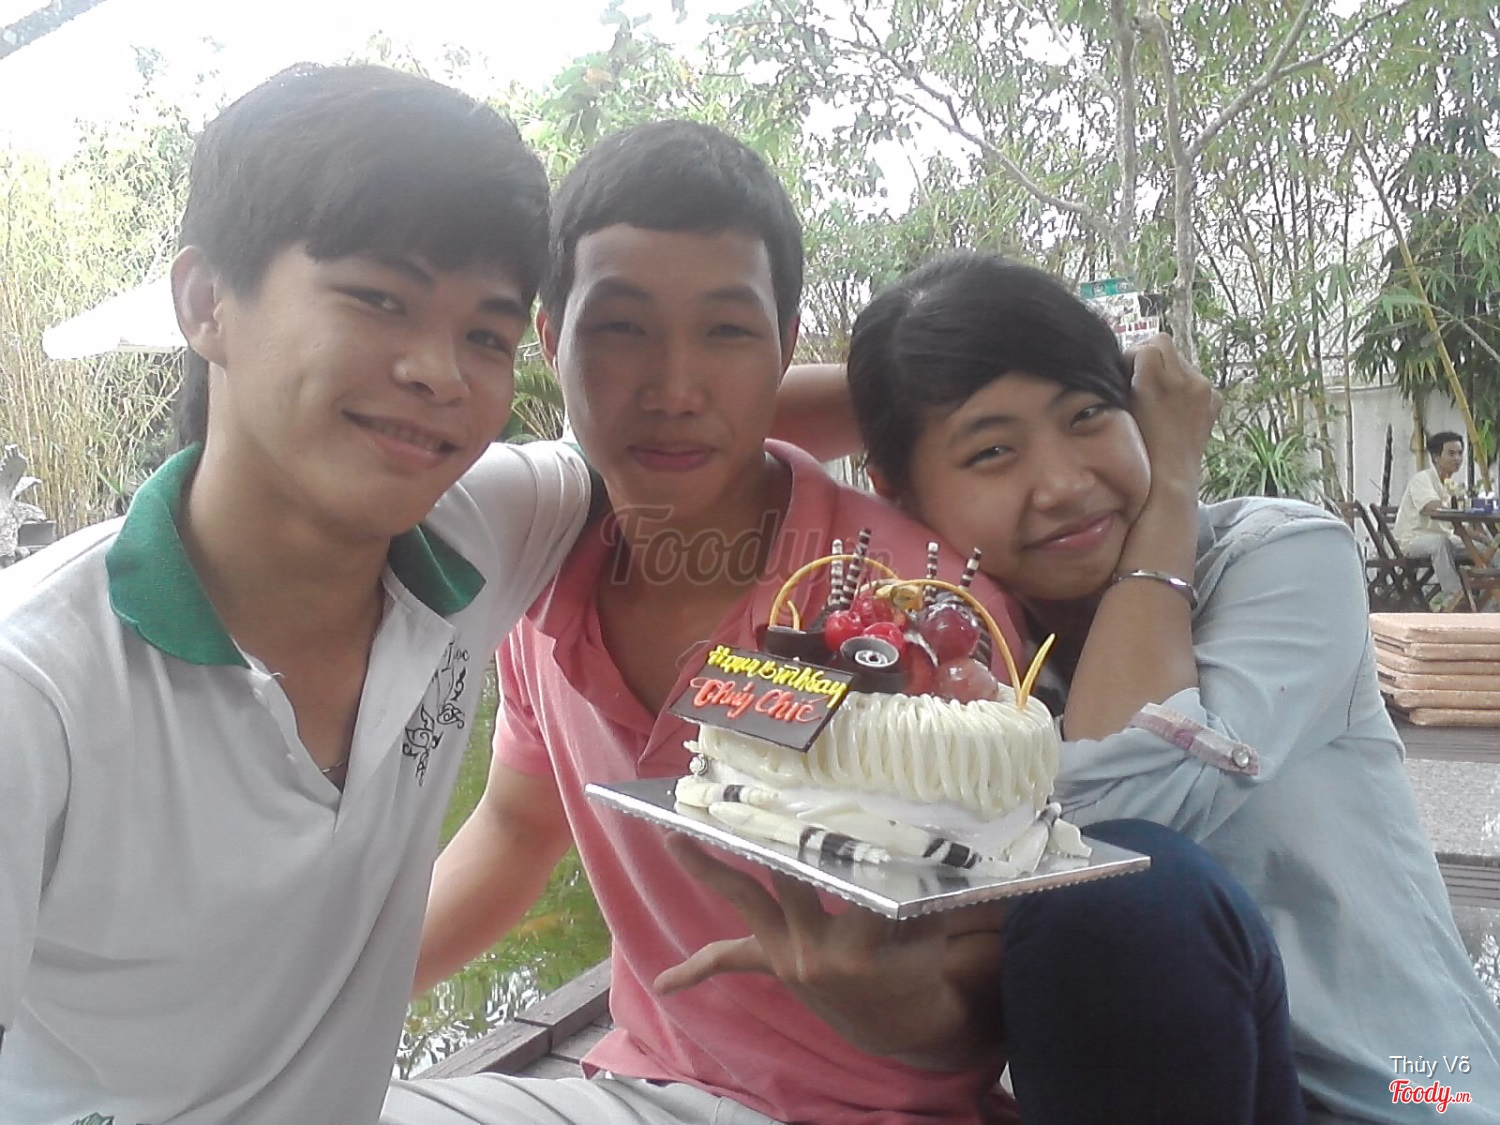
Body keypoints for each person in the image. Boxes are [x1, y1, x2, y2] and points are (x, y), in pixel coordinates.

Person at [389, 123, 1305, 1125]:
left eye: (728, 331)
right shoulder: (545, 563)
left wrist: (898, 1008)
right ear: (550, 337)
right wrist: (320, 1000)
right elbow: (517, 828)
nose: (675, 388)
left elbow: (1008, 970)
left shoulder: (920, 612)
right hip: (639, 1083)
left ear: (785, 349)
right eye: (620, 328)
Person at [0, 64, 598, 1123]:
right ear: (205, 304)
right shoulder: (33, 691)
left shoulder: (472, 531)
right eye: (380, 299)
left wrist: (906, 412)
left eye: (487, 335)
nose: (441, 373)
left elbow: (676, 432)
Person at [841, 251, 1500, 1123]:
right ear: (897, 494)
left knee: (1114, 892)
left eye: (1088, 414)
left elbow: (1128, 813)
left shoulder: (1280, 557)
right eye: (992, 450)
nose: (1066, 484)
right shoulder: (953, 665)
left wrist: (1173, 483)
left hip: (1410, 1094)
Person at [1393, 430, 1466, 607]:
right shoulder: (1422, 479)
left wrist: (1483, 538)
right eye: (1451, 453)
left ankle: (1494, 597)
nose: (1457, 458)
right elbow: (1430, 506)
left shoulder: (1452, 485)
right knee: (1440, 543)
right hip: (1413, 540)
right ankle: (1455, 596)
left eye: (1459, 453)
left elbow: (1459, 525)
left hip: (1447, 538)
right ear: (1436, 457)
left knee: (1488, 549)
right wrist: (1452, 502)